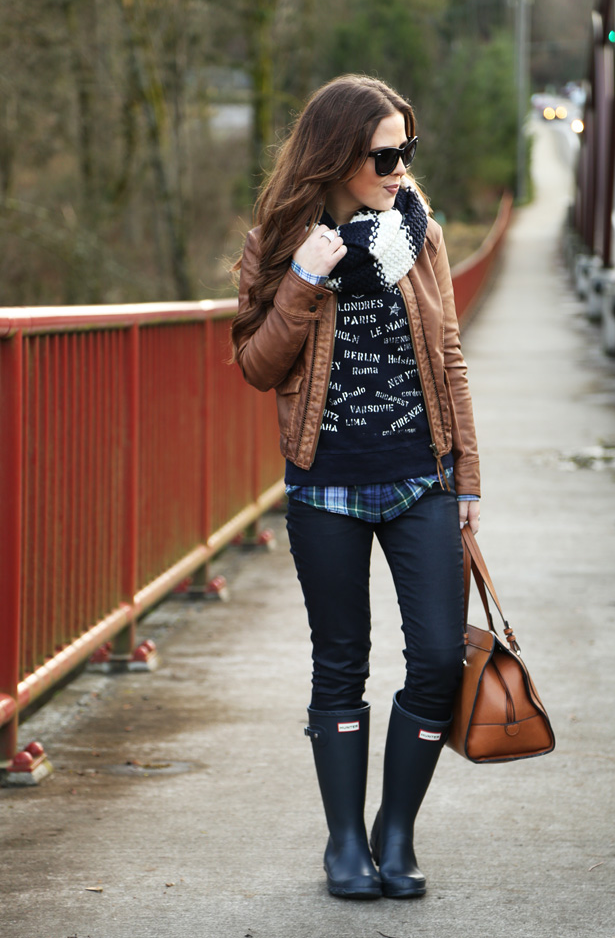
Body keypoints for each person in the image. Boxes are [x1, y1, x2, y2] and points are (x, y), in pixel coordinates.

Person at [231, 75, 480, 901]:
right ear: (339, 156)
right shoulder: (280, 240)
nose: (400, 167)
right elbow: (256, 365)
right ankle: (344, 842)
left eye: (408, 150)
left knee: (440, 660)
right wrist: (301, 279)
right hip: (326, 486)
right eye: (384, 153)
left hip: (424, 478)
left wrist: (467, 477)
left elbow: (447, 354)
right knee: (339, 664)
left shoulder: (421, 235)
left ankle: (394, 830)